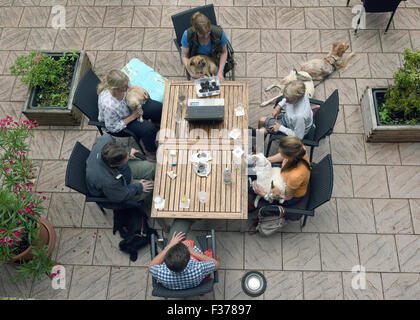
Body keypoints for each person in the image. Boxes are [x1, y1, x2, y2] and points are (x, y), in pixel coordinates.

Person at [97, 70, 162, 158]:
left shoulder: (122, 86)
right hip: (122, 121)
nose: (128, 86)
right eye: (125, 86)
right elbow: (112, 127)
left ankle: (156, 122)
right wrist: (133, 116)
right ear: (116, 88)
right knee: (148, 129)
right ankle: (151, 150)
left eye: (127, 83)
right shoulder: (109, 106)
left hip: (131, 107)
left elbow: (130, 87)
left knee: (157, 107)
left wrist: (139, 89)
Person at [148, 219, 219, 290]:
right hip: (194, 281)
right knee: (181, 222)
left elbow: (150, 266)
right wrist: (193, 252)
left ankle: (188, 222)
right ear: (188, 260)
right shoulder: (198, 268)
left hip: (174, 287)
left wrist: (170, 246)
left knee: (180, 227)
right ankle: (195, 218)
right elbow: (216, 264)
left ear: (166, 261)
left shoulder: (163, 273)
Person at [86, 133, 155, 204]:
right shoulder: (108, 181)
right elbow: (120, 196)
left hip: (121, 170)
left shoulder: (105, 139)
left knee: (151, 166)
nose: (129, 157)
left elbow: (116, 143)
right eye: (126, 158)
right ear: (113, 165)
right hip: (118, 190)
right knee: (151, 185)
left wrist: (128, 150)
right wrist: (138, 187)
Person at [249, 136, 311, 208]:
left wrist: (263, 194)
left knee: (248, 187)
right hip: (279, 176)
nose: (278, 150)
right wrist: (265, 160)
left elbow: (287, 197)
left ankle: (251, 205)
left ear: (290, 157)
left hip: (288, 196)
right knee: (251, 167)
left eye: (281, 152)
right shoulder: (298, 148)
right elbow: (283, 156)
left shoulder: (295, 176)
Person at [181, 11, 229, 82]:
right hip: (197, 61)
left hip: (214, 59)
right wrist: (191, 73)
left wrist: (220, 72)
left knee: (217, 82)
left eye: (208, 32)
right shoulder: (187, 35)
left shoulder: (219, 33)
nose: (206, 36)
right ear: (196, 31)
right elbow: (184, 56)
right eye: (202, 35)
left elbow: (224, 52)